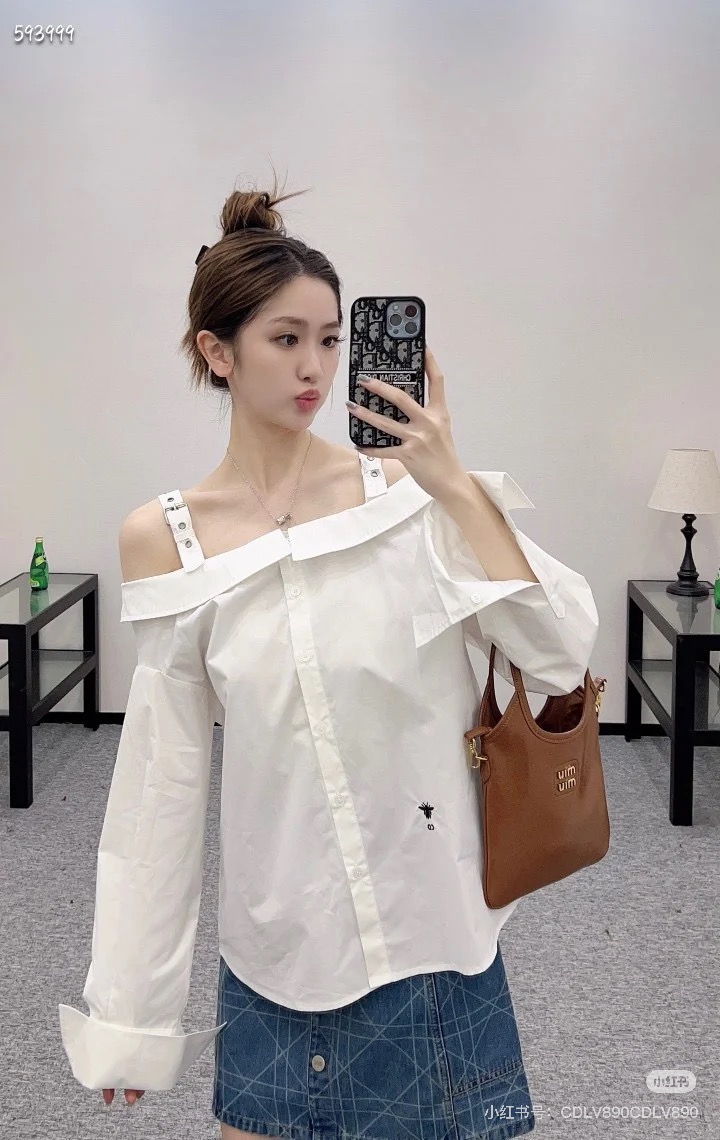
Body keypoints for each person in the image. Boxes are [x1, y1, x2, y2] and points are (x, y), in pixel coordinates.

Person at [58, 171, 599, 1139]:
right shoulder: (167, 539)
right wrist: (131, 1011)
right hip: (280, 947)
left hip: (431, 936)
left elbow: (559, 658)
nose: (315, 368)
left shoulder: (411, 501)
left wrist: (454, 486)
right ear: (216, 352)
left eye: (331, 339)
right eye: (286, 339)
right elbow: (160, 787)